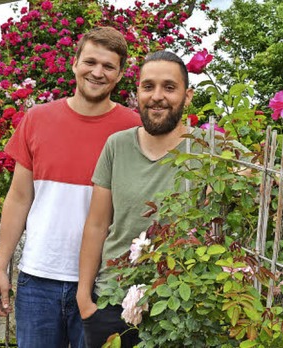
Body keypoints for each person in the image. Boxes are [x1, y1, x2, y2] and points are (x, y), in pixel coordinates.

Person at [0, 27, 141, 347]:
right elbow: (18, 198)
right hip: (38, 280)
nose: (97, 72)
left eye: (108, 66)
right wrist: (0, 268)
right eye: (90, 62)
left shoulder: (133, 129)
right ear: (75, 64)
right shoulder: (37, 119)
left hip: (105, 285)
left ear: (120, 75)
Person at [76, 50, 198, 348]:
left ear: (187, 96)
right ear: (137, 93)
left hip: (181, 307)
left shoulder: (211, 152)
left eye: (169, 87)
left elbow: (268, 181)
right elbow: (97, 224)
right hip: (111, 304)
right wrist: (84, 300)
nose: (157, 96)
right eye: (148, 86)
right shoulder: (117, 146)